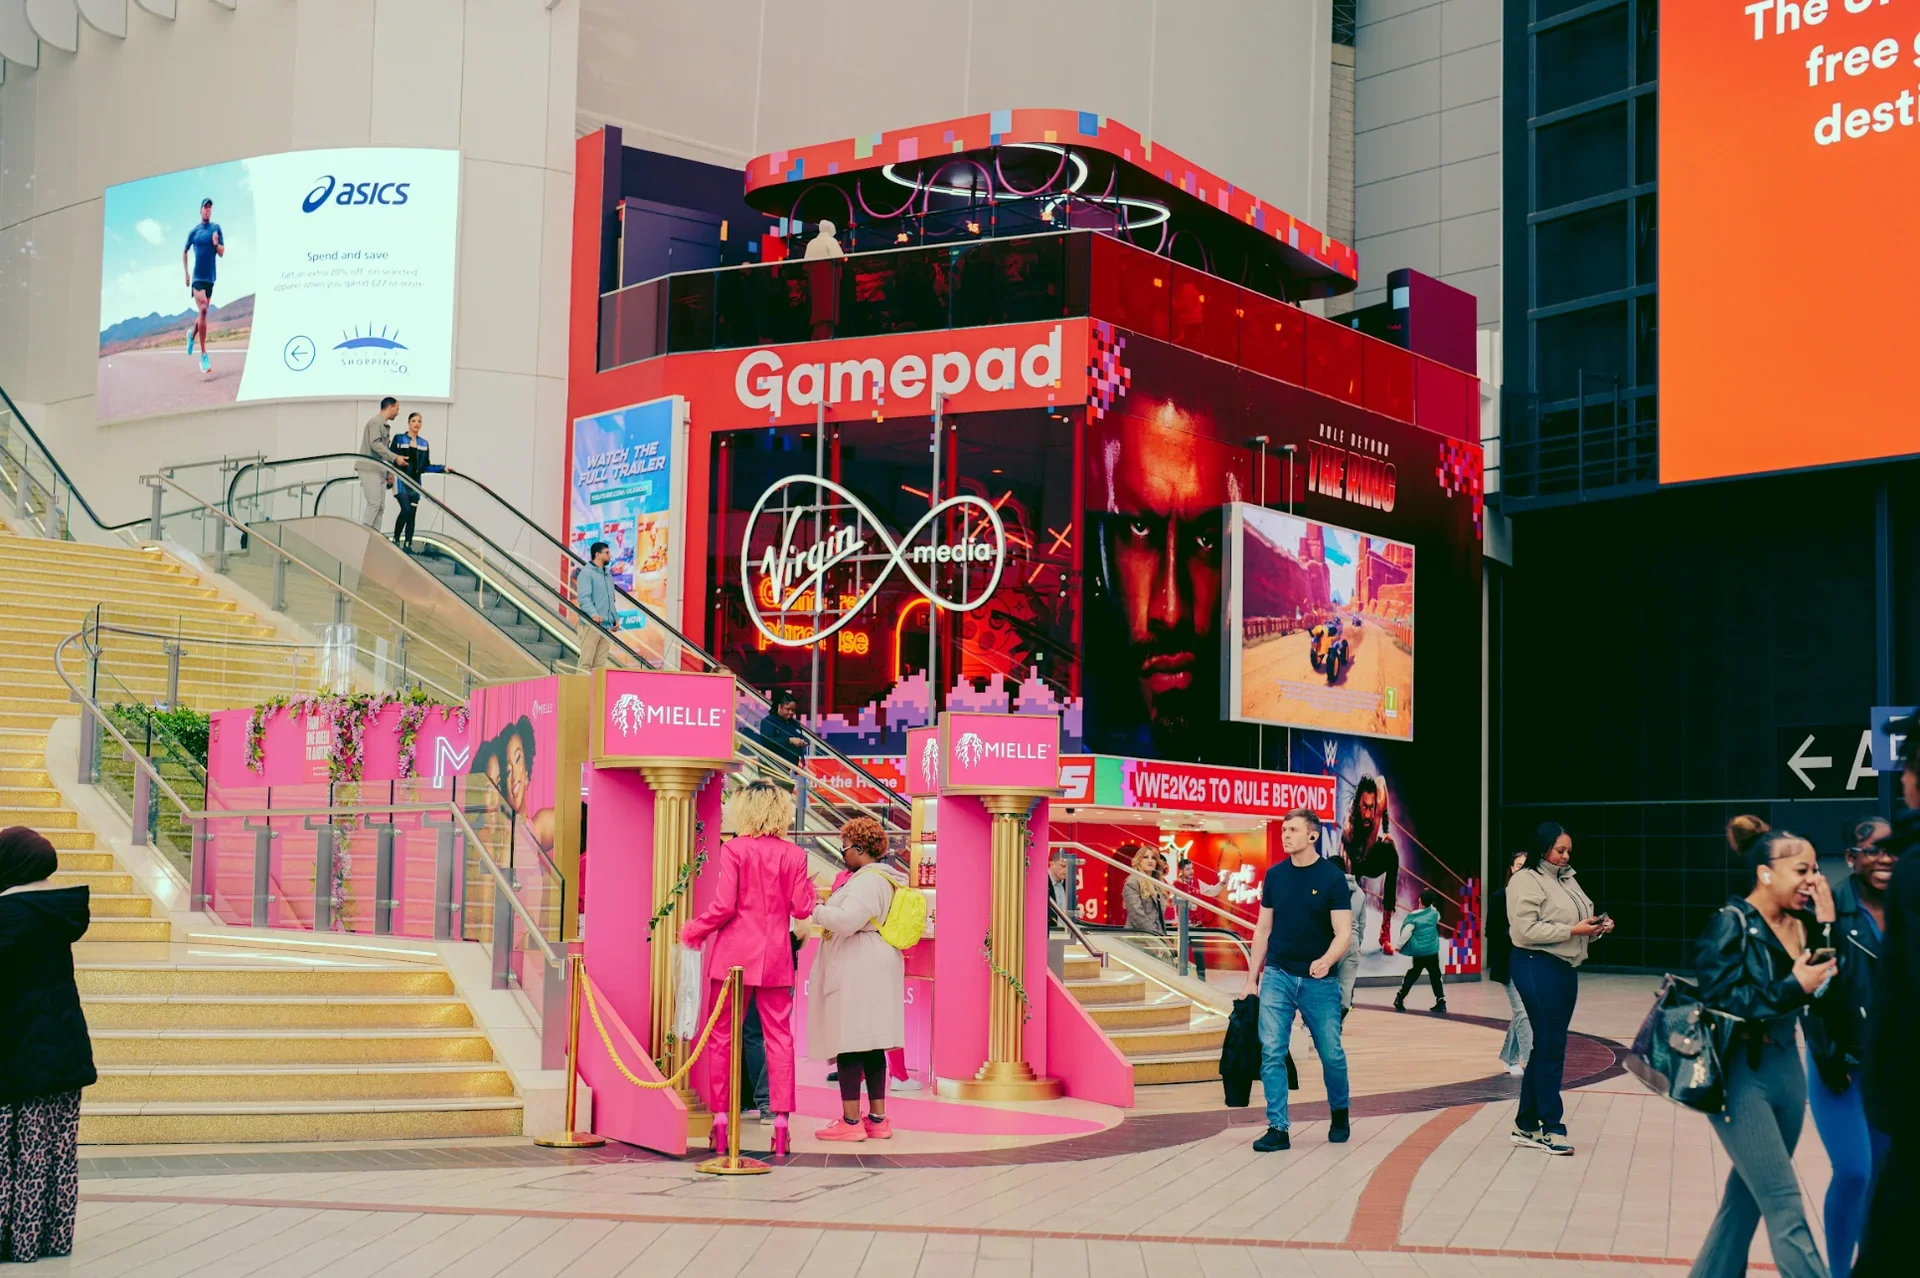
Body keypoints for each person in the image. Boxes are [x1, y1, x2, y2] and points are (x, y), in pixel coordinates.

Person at [1689, 825, 1837, 1278]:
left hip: (1787, 1073)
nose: (1812, 880)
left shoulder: (1805, 924)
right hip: (1741, 1076)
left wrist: (1828, 922)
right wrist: (1793, 986)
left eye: (1815, 869)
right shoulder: (1729, 923)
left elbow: (1830, 992)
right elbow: (1722, 1001)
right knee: (1783, 1201)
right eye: (1801, 870)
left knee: (1745, 1199)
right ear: (1766, 873)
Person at [680, 781, 817, 1157]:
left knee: (722, 1037)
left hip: (732, 958)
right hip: (775, 958)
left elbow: (724, 907)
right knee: (780, 1038)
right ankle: (782, 1124)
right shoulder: (794, 855)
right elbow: (802, 908)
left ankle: (721, 1121)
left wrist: (695, 930)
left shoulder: (734, 849)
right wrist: (811, 890)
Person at [1800, 817, 1891, 1278]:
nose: (1885, 858)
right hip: (1837, 1062)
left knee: (1883, 1180)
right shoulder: (1828, 908)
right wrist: (1829, 1055)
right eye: (1873, 850)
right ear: (1852, 858)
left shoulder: (1907, 906)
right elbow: (1813, 994)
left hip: (1889, 1069)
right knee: (1855, 1170)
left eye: (1891, 849)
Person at [0, 827, 96, 1264]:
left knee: (12, 1150)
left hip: (16, 1052)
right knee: (53, 1150)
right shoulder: (58, 909)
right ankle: (47, 1238)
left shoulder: (10, 914)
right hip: (61, 1050)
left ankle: (10, 1240)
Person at [1242, 807, 1352, 1152]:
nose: (1285, 835)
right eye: (1283, 830)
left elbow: (1343, 933)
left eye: (1292, 830)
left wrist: (1326, 960)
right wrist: (1251, 979)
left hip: (1320, 981)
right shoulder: (1275, 875)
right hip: (1278, 974)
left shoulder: (1332, 878)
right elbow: (1263, 928)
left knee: (1331, 1053)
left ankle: (1340, 1112)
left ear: (1312, 835)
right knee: (1272, 1051)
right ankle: (1278, 1128)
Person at [1506, 821, 1611, 1156]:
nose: (1566, 856)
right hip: (1535, 964)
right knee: (1552, 1046)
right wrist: (1573, 930)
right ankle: (1552, 1127)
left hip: (1564, 966)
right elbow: (1526, 930)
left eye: (1568, 850)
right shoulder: (1525, 880)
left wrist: (1595, 927)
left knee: (1547, 1046)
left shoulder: (1566, 878)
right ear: (1542, 848)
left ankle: (1525, 1124)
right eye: (1559, 850)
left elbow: (1579, 919)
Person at [1855, 742, 1920, 1278]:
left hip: (1899, 1084)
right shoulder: (1835, 913)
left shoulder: (1914, 874)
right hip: (1848, 1067)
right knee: (1861, 1174)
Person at [806, 817, 907, 1142]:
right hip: (875, 962)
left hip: (858, 965)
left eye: (845, 848)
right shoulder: (884, 879)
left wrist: (817, 910)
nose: (842, 854)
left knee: (850, 1042)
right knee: (873, 1042)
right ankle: (877, 1119)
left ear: (860, 848)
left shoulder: (866, 881)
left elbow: (848, 921)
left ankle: (850, 1122)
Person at [1343, 777, 1401, 955]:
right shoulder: (1350, 827)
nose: (1368, 814)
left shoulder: (1380, 795)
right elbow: (1349, 868)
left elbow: (1382, 784)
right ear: (1357, 805)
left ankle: (1385, 933)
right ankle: (1348, 935)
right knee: (1351, 886)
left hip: (1372, 856)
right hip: (1357, 861)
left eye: (1371, 807)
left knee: (1392, 853)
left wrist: (1385, 831)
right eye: (1364, 807)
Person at [1489, 851, 1531, 1077]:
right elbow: (1490, 931)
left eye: (1527, 865)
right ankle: (1531, 1062)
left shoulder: (1534, 897)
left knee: (1521, 1012)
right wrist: (1516, 933)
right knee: (1523, 1012)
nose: (1522, 869)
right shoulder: (1500, 897)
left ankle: (1509, 1058)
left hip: (1531, 963)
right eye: (1518, 865)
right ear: (1512, 868)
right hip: (1509, 963)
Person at [388, 412, 444, 553]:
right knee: (405, 509)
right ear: (409, 423)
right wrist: (389, 474)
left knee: (412, 514)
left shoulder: (424, 444)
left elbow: (425, 465)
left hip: (415, 483)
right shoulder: (399, 438)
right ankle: (395, 539)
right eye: (414, 421)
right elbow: (390, 458)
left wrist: (443, 468)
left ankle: (408, 543)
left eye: (419, 421)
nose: (417, 424)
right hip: (401, 479)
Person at [181, 197, 223, 378]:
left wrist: (216, 243)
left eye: (210, 208)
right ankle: (204, 355)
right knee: (204, 307)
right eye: (205, 208)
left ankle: (191, 335)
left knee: (203, 313)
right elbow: (184, 251)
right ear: (200, 211)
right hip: (197, 277)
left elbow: (221, 253)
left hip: (210, 278)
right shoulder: (194, 232)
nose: (208, 210)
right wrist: (187, 274)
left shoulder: (216, 229)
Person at [1393, 888, 1447, 1014]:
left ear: (1420, 900)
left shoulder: (1414, 917)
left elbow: (1406, 933)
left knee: (1413, 974)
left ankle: (1400, 997)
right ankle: (1441, 1002)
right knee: (1435, 975)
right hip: (1432, 952)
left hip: (1419, 953)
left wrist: (1399, 946)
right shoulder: (1434, 914)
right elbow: (1435, 913)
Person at [573, 541, 618, 670]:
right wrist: (593, 614)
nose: (610, 555)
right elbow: (584, 598)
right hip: (590, 624)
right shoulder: (586, 573)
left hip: (606, 626)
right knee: (586, 663)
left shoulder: (607, 576)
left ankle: (596, 691)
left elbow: (611, 599)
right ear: (597, 554)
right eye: (607, 552)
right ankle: (582, 690)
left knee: (599, 666)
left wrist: (615, 617)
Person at [357, 397, 402, 528]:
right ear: (390, 407)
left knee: (380, 507)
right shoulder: (376, 422)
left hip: (379, 469)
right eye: (397, 409)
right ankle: (363, 537)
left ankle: (374, 539)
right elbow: (375, 444)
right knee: (374, 504)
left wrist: (388, 471)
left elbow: (382, 451)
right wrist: (395, 457)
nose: (398, 412)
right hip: (369, 468)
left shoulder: (384, 425)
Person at [1333, 852, 1367, 1017]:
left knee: (1323, 983)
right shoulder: (1359, 892)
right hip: (1353, 941)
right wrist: (1357, 942)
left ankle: (1315, 1024)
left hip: (1333, 941)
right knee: (1346, 985)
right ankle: (1338, 1022)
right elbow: (1362, 923)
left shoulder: (1329, 888)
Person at [1122, 844, 1170, 934]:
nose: (1150, 861)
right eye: (1145, 857)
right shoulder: (1132, 883)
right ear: (1139, 860)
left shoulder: (1158, 884)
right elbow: (1137, 915)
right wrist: (1153, 936)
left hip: (1157, 937)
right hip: (1138, 938)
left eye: (1153, 858)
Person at [757, 690, 806, 768]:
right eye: (788, 709)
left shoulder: (794, 724)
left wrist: (801, 743)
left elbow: (799, 738)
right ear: (779, 707)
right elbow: (767, 741)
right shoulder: (769, 721)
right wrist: (790, 740)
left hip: (791, 767)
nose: (790, 712)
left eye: (793, 710)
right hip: (772, 766)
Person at [1047, 849, 1073, 927]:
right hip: (1048, 931)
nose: (1066, 870)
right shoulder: (1042, 883)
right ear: (1051, 864)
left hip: (1063, 931)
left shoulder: (1067, 883)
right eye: (1063, 866)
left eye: (1069, 867)